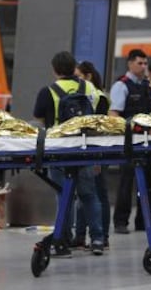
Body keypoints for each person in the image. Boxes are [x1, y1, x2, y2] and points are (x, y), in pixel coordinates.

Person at [33, 51, 105, 256]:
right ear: (74, 68)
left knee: (64, 196)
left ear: (54, 70)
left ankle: (63, 240)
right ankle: (98, 239)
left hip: (59, 151)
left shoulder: (48, 91)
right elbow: (102, 110)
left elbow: (38, 117)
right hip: (84, 148)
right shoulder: (89, 87)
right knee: (89, 195)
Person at [109, 49, 151, 234]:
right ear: (130, 64)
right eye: (140, 63)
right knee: (126, 181)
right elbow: (114, 115)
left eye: (145, 63)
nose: (144, 67)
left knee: (146, 183)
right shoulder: (121, 86)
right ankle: (120, 221)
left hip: (147, 141)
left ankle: (143, 221)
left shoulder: (148, 86)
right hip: (130, 141)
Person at [72, 60, 110, 249]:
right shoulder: (85, 96)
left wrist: (97, 157)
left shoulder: (97, 97)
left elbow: (99, 126)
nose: (76, 80)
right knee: (85, 196)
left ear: (88, 76)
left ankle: (101, 236)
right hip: (87, 149)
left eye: (78, 76)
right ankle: (81, 236)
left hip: (95, 150)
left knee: (96, 195)